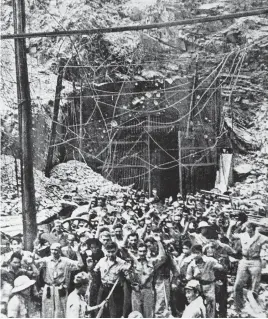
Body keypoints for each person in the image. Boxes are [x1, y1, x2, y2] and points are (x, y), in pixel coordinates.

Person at [227, 221, 268, 314]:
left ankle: (257, 309)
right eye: (246, 229)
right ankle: (238, 306)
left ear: (253, 229)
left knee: (254, 287)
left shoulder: (261, 237)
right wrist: (230, 226)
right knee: (237, 285)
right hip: (244, 260)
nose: (247, 231)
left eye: (249, 229)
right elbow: (230, 237)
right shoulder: (243, 235)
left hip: (255, 261)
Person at [33, 242, 84, 318]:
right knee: (47, 311)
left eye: (56, 250)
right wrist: (34, 251)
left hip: (60, 289)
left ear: (60, 251)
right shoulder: (46, 260)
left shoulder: (65, 261)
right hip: (48, 289)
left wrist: (77, 252)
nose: (53, 252)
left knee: (61, 311)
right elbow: (33, 262)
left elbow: (80, 265)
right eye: (52, 250)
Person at [129, 234, 166, 318]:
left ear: (147, 251)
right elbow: (121, 248)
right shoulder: (134, 261)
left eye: (144, 251)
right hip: (136, 291)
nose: (142, 253)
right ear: (137, 251)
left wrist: (159, 241)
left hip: (148, 291)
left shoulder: (151, 262)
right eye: (140, 251)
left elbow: (162, 258)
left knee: (148, 314)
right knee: (136, 315)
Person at [94, 241, 131, 318]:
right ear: (105, 251)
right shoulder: (101, 261)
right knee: (100, 311)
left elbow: (129, 278)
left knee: (114, 313)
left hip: (115, 290)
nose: (110, 254)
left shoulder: (122, 263)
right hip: (103, 288)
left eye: (113, 252)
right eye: (108, 252)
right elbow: (95, 272)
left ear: (116, 250)